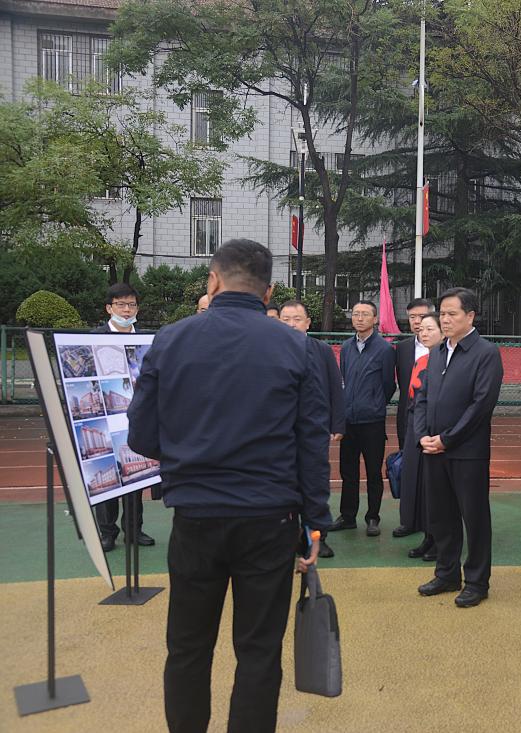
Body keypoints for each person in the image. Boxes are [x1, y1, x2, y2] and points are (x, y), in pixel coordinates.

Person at [127, 238, 331, 733]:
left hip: (195, 516)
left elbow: (141, 436)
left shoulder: (171, 339)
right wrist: (316, 523)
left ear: (213, 280)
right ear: (269, 291)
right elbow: (312, 442)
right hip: (269, 518)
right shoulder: (297, 347)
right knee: (259, 649)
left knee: (188, 646)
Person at [414, 288, 503, 608]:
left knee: (474, 517)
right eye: (442, 313)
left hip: (467, 452)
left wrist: (447, 439)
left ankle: (477, 581)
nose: (445, 319)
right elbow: (422, 397)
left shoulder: (486, 353)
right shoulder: (437, 351)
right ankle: (447, 573)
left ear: (470, 316)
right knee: (441, 516)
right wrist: (422, 435)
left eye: (452, 313)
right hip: (433, 449)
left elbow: (481, 405)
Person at [280, 299, 345, 559]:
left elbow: (335, 387)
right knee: (284, 488)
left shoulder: (322, 350)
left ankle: (318, 538)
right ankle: (289, 538)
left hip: (313, 433)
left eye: (297, 319)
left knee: (314, 487)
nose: (291, 324)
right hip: (280, 434)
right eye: (285, 319)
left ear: (308, 323)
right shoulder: (270, 349)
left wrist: (337, 423)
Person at [93, 282, 154, 552]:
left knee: (135, 475)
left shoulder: (146, 342)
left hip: (137, 418)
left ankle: (133, 529)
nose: (126, 310)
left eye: (131, 305)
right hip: (107, 418)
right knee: (109, 478)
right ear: (109, 308)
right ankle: (107, 532)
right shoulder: (95, 338)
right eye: (120, 305)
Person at [329, 300, 396, 537]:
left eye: (365, 314)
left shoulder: (385, 349)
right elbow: (344, 379)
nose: (359, 318)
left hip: (372, 421)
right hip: (349, 420)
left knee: (373, 471)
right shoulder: (347, 347)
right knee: (348, 472)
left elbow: (388, 384)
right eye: (356, 313)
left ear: (375, 319)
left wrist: (374, 403)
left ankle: (373, 517)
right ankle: (347, 516)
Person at [400, 312, 445, 561]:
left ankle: (440, 540)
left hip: (435, 430)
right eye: (422, 329)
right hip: (415, 429)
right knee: (417, 485)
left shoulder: (447, 360)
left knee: (436, 489)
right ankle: (427, 536)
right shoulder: (421, 360)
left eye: (430, 329)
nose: (424, 333)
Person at [393, 297, 436, 538]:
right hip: (408, 418)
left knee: (431, 475)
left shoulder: (443, 351)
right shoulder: (403, 348)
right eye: (412, 317)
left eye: (422, 317)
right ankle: (408, 520)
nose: (417, 322)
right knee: (409, 471)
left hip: (434, 423)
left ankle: (430, 524)